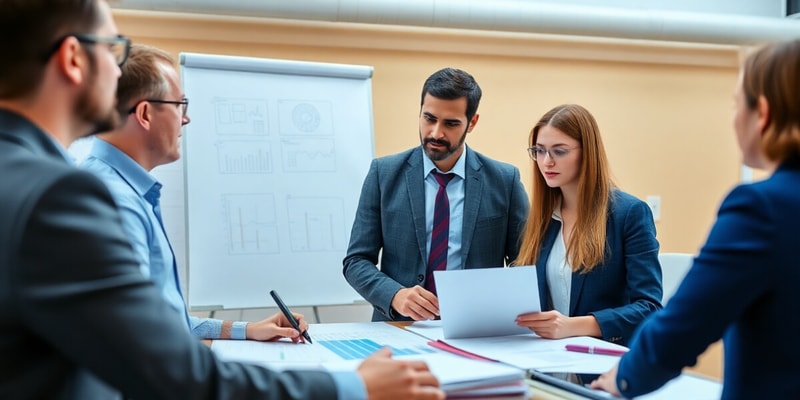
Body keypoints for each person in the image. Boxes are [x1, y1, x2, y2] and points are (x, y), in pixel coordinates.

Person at [0, 1, 443, 399]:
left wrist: (242, 329)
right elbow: (171, 371)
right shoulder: (65, 196)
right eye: (114, 49)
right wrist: (353, 385)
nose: (119, 72)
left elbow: (146, 325)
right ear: (74, 58)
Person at [591, 39, 800, 399]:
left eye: (736, 104)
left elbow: (684, 327)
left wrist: (623, 377)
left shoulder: (761, 209)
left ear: (762, 113)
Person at [81, 43, 310, 342]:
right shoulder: (112, 202)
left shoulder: (124, 190)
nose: (185, 119)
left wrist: (247, 330)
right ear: (146, 114)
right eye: (180, 105)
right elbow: (136, 338)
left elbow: (167, 321)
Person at [343, 67, 530, 321]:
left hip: (477, 331)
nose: (435, 133)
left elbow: (525, 264)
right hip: (398, 329)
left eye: (451, 123)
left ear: (472, 123)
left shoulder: (504, 181)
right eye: (429, 118)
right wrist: (395, 294)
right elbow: (356, 261)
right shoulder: (383, 174)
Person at [513, 104, 662, 346]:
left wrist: (573, 326)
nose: (546, 162)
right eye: (539, 151)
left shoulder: (629, 214)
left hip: (599, 364)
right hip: (545, 359)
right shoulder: (541, 218)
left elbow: (649, 307)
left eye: (559, 151)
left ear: (587, 152)